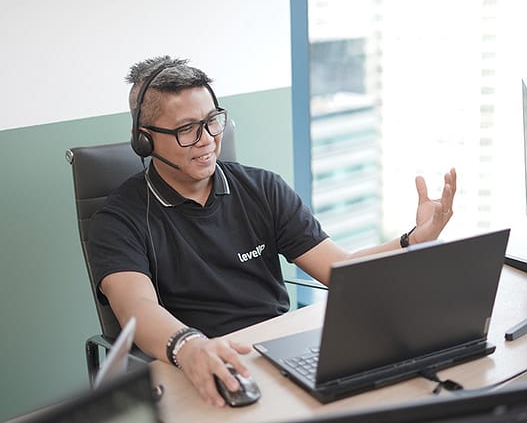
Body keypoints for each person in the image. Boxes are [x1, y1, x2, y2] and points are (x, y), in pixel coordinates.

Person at [88, 56, 457, 407]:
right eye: (186, 129)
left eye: (212, 121)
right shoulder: (119, 219)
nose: (206, 139)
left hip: (276, 355)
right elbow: (136, 309)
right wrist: (189, 347)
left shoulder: (263, 188)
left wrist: (413, 241)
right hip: (198, 364)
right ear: (145, 139)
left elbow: (341, 269)